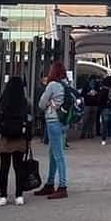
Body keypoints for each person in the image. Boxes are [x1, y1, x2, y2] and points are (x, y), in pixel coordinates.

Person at [35, 62, 70, 199]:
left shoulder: (52, 85)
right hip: (63, 122)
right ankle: (50, 183)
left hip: (53, 121)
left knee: (58, 155)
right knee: (54, 153)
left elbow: (41, 104)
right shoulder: (66, 84)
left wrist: (49, 103)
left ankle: (62, 186)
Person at [0, 76, 30, 206]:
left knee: (4, 168)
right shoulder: (25, 101)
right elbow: (30, 118)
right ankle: (19, 195)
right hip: (20, 138)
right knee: (18, 167)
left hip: (5, 138)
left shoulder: (2, 100)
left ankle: (3, 196)